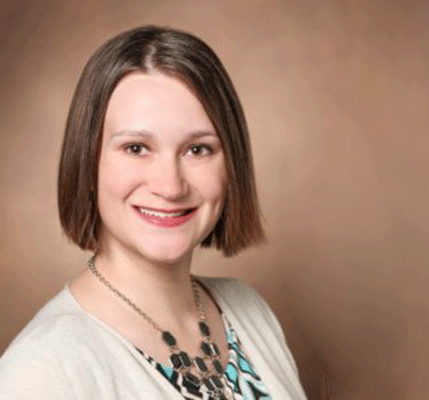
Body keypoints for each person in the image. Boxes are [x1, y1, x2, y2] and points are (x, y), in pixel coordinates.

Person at [0, 25, 307, 400]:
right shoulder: (43, 370)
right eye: (136, 148)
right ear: (89, 162)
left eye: (198, 149)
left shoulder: (249, 311)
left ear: (231, 165)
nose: (171, 186)